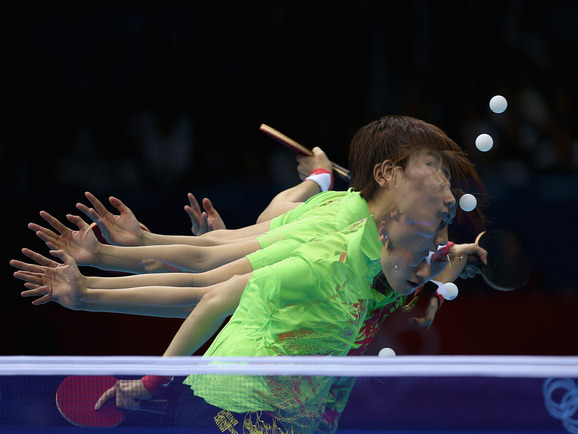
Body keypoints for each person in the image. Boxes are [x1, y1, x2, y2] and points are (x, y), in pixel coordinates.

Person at [13, 116, 488, 432]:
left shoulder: (369, 224)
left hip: (296, 410)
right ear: (388, 175)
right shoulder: (336, 236)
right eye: (435, 169)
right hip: (242, 400)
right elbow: (211, 274)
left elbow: (263, 223)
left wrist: (317, 179)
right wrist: (107, 267)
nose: (447, 189)